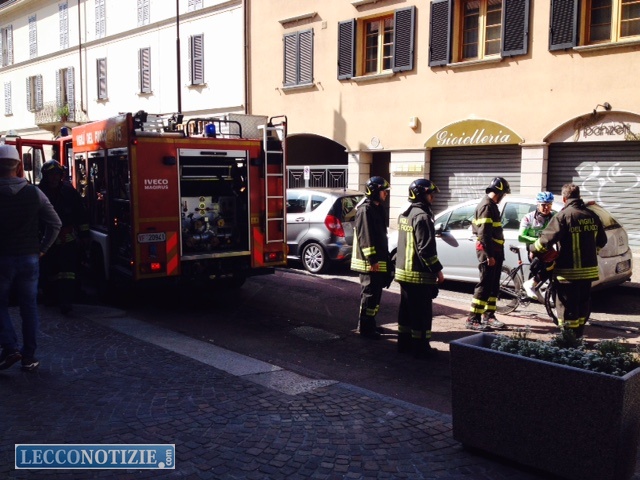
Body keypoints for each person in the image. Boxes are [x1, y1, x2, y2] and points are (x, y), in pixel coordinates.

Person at [0, 144, 61, 371]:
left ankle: (10, 347)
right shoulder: (34, 192)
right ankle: (28, 356)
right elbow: (55, 223)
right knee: (29, 307)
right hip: (29, 258)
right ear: (18, 166)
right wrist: (42, 249)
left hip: (2, 258)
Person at [529, 184, 607, 338]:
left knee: (567, 309)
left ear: (564, 199)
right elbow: (602, 241)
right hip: (588, 273)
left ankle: (568, 341)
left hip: (567, 274)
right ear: (579, 197)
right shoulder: (592, 215)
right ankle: (578, 336)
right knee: (582, 306)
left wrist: (533, 249)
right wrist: (591, 254)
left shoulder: (563, 216)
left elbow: (545, 241)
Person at [394, 179, 444, 359]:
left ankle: (404, 344)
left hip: (404, 273)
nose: (433, 197)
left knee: (406, 312)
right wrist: (437, 270)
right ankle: (421, 348)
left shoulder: (405, 214)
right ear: (421, 196)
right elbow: (426, 249)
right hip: (418, 274)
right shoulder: (422, 216)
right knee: (422, 314)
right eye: (430, 194)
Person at [38, 160, 90, 314]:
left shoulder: (69, 192)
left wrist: (84, 235)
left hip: (67, 238)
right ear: (45, 176)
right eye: (51, 175)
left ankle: (67, 301)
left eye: (57, 174)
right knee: (49, 270)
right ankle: (50, 296)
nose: (54, 178)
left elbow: (81, 214)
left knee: (68, 272)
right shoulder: (38, 193)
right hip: (46, 240)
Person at [466, 177, 511, 331]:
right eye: (503, 194)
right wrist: (489, 256)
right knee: (485, 285)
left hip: (496, 251)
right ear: (499, 193)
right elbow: (484, 234)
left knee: (493, 285)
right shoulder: (486, 206)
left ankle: (489, 316)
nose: (503, 197)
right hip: (488, 252)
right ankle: (473, 319)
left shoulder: (491, 205)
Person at [351, 176, 391, 339]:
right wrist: (372, 260)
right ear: (374, 192)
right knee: (369, 295)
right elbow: (365, 237)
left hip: (377, 260)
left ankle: (370, 324)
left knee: (375, 295)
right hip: (368, 262)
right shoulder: (365, 210)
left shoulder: (377, 208)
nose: (386, 194)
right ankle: (365, 328)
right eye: (383, 191)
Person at [518, 191, 557, 298]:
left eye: (549, 205)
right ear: (538, 204)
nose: (546, 208)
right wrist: (539, 240)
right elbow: (521, 236)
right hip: (533, 248)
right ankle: (531, 284)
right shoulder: (528, 217)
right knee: (547, 265)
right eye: (543, 205)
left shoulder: (554, 216)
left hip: (548, 248)